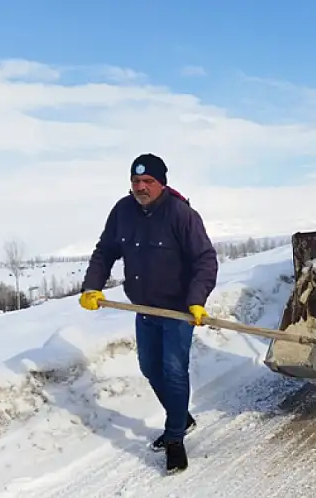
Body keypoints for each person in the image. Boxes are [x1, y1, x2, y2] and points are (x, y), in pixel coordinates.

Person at [78, 153, 218, 474]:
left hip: (178, 310)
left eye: (148, 181)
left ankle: (174, 439)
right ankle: (180, 416)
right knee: (150, 367)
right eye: (135, 181)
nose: (141, 186)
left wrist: (197, 300)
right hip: (144, 309)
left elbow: (205, 260)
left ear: (161, 183)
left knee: (172, 370)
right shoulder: (123, 211)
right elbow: (105, 251)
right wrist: (92, 286)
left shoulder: (181, 214)